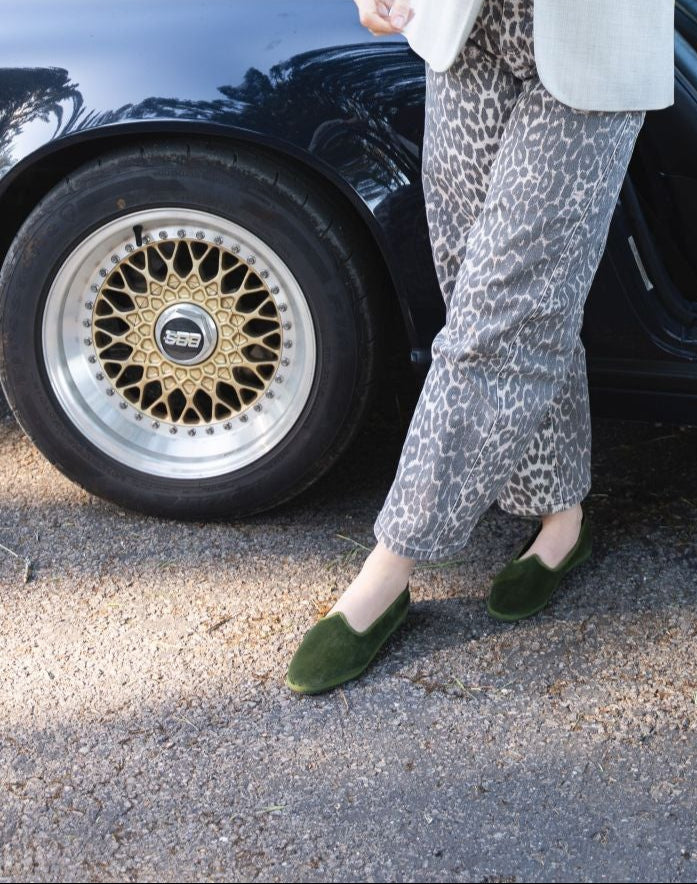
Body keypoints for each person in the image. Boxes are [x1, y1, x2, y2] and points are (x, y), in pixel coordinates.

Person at [285, 0, 675, 694]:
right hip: (464, 31)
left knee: (499, 318)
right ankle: (560, 514)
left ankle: (390, 568)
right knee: (479, 289)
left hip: (595, 42)